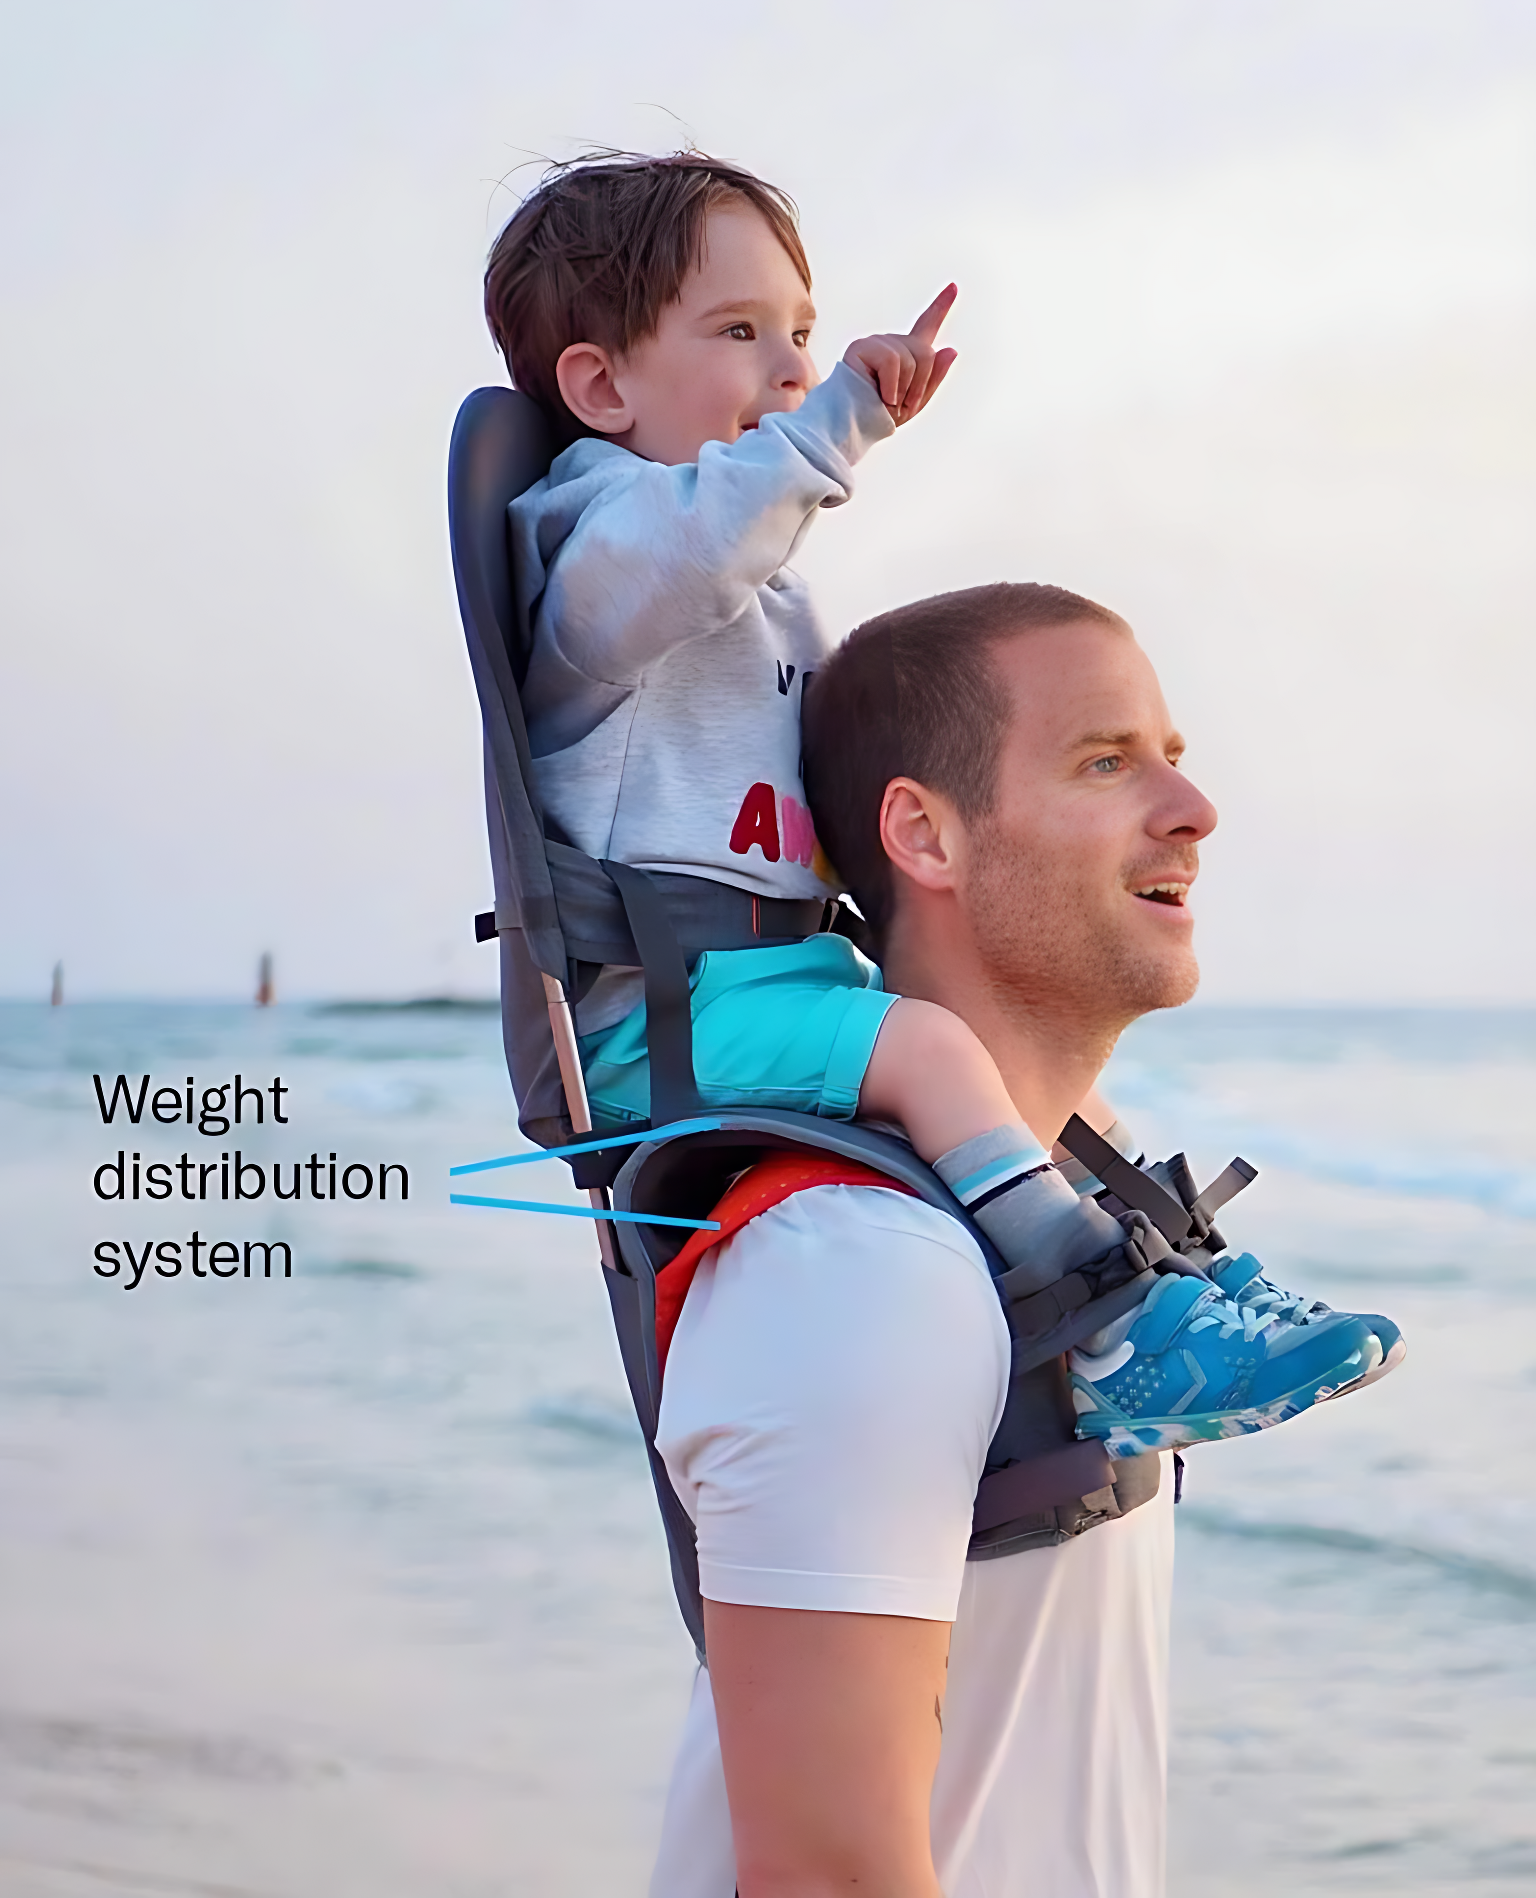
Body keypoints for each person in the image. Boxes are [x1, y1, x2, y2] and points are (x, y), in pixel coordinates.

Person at [482, 152, 1386, 1456]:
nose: (792, 365)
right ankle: (1114, 1323)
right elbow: (699, 545)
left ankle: (1179, 1261)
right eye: (741, 333)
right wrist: (841, 415)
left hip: (767, 987)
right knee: (933, 1053)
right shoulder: (594, 544)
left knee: (1000, 1052)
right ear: (600, 384)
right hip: (662, 1028)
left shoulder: (737, 585)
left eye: (799, 331)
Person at [647, 584, 1377, 1895]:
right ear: (926, 833)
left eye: (1174, 758)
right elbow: (827, 1876)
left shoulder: (1074, 1225)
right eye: (1106, 762)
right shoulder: (861, 1266)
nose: (1191, 811)